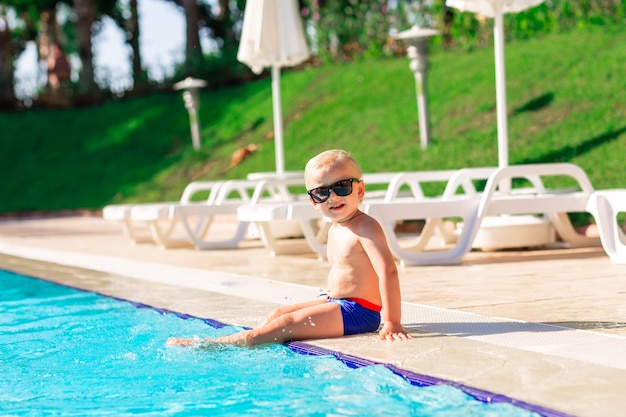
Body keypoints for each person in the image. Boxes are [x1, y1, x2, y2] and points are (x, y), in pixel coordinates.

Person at [167, 149, 410, 347]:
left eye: (342, 187)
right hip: (336, 301)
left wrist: (391, 321)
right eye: (321, 192)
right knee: (278, 315)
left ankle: (220, 344)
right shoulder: (338, 226)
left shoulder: (366, 227)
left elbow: (387, 271)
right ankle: (254, 340)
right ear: (313, 202)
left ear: (360, 190)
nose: (332, 197)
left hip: (360, 312)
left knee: (286, 324)